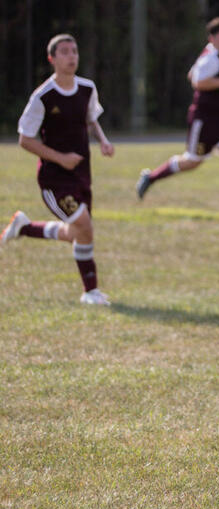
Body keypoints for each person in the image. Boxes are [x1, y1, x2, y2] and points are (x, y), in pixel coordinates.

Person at [2, 33, 115, 305]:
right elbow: (25, 139)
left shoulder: (87, 88)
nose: (71, 56)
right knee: (84, 226)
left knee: (77, 232)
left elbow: (91, 118)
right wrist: (60, 158)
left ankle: (25, 227)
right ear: (51, 59)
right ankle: (90, 291)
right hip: (54, 179)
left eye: (74, 51)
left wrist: (103, 140)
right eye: (64, 52)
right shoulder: (43, 96)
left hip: (82, 174)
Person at [135, 17, 219, 214]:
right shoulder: (211, 57)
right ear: (212, 39)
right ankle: (151, 177)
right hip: (205, 122)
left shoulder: (217, 56)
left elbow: (192, 74)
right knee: (192, 161)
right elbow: (197, 82)